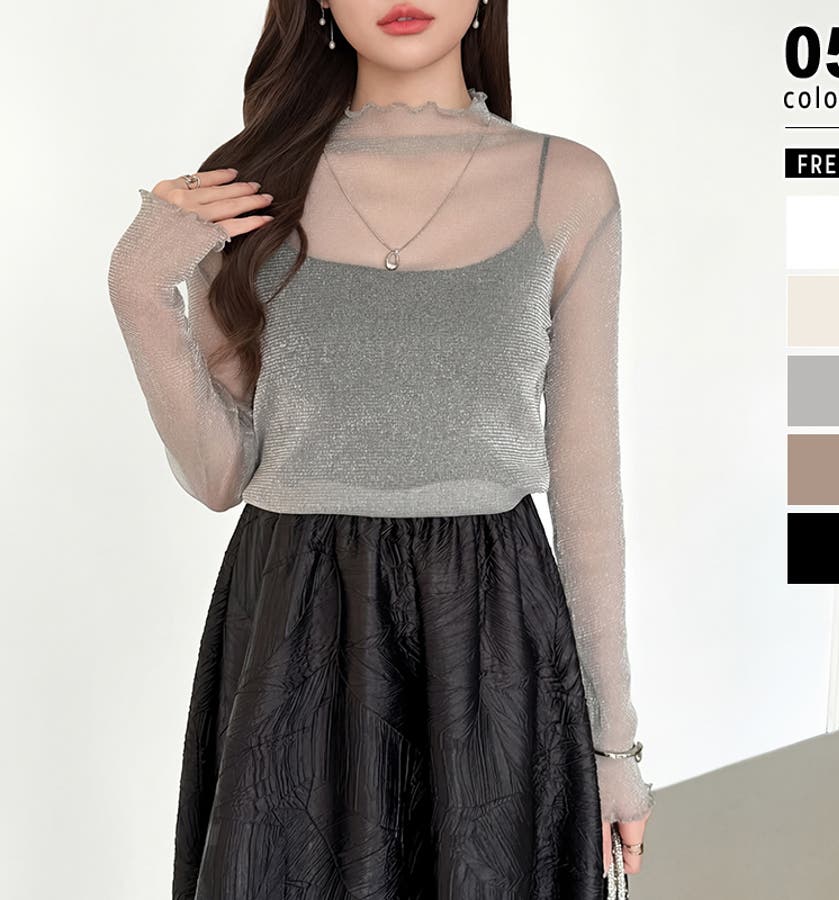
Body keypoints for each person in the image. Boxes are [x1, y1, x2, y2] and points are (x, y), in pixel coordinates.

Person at [106, 1, 655, 897]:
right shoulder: (249, 188)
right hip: (294, 627)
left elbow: (588, 485)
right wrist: (139, 288)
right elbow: (220, 475)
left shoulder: (566, 184)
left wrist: (614, 747)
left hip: (491, 634)